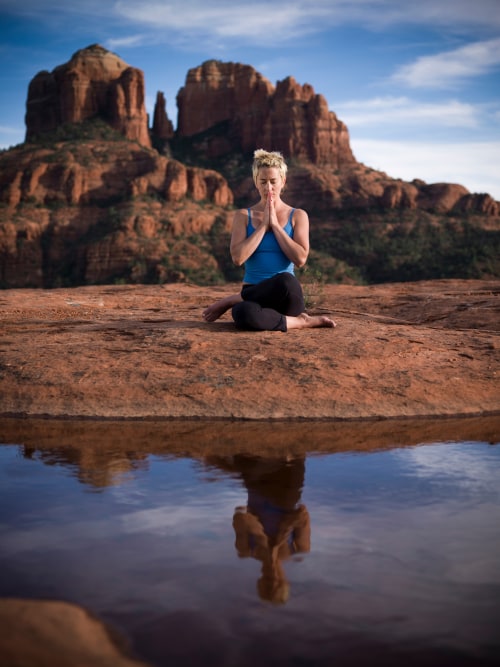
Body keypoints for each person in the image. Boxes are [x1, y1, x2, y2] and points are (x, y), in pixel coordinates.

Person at [202, 149, 336, 331]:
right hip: (254, 295)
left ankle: (235, 299)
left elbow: (300, 259)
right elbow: (238, 258)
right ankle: (299, 322)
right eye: (263, 182)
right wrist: (264, 226)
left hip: (286, 295)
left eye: (273, 181)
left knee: (286, 280)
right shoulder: (243, 216)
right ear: (256, 182)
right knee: (243, 314)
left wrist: (276, 225)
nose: (268, 188)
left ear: (283, 181)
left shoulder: (297, 215)